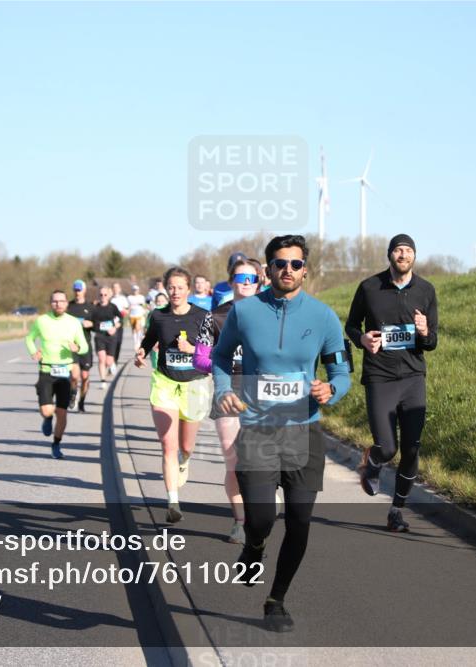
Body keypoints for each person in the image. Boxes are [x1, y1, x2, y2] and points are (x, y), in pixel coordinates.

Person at [214, 234, 351, 632]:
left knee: (300, 521)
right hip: (257, 429)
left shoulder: (323, 316)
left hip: (303, 431)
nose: (287, 270)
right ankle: (254, 549)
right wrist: (224, 390)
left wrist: (331, 389)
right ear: (267, 270)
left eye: (294, 264)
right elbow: (222, 356)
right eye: (279, 264)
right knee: (260, 519)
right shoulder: (245, 312)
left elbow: (341, 371)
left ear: (305, 270)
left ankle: (276, 600)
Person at [344, 234, 437, 532]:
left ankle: (396, 510)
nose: (403, 255)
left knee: (412, 449)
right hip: (380, 376)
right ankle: (373, 462)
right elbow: (351, 324)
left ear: (414, 256)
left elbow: (432, 341)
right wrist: (361, 339)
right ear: (390, 255)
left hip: (412, 377)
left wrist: (424, 332)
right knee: (387, 447)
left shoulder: (426, 290)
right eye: (398, 250)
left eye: (409, 250)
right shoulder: (370, 287)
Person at [193, 257, 263, 543]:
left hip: (265, 393)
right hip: (228, 390)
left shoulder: (273, 315)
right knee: (233, 459)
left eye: (251, 278)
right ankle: (239, 521)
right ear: (231, 281)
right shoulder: (216, 316)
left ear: (260, 281)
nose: (246, 283)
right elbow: (199, 358)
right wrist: (223, 365)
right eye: (240, 278)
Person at [134, 267, 211, 524]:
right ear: (165, 288)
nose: (175, 292)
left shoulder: (203, 316)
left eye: (180, 287)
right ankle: (172, 502)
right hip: (165, 383)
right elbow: (148, 340)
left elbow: (212, 351)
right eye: (171, 287)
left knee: (186, 447)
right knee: (168, 445)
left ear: (188, 289)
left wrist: (192, 348)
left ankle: (185, 460)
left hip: (194, 384)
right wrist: (142, 353)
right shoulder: (158, 316)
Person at [24, 290, 88, 459]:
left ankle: (56, 444)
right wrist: (33, 352)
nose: (58, 304)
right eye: (54, 301)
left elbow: (85, 345)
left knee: (62, 413)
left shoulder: (73, 323)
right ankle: (46, 419)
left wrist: (78, 348)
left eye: (61, 301)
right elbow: (29, 338)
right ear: (50, 303)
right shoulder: (41, 321)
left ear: (67, 303)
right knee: (47, 411)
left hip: (64, 373)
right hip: (46, 370)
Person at [66, 279, 94, 412]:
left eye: (79, 290)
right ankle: (72, 395)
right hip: (72, 346)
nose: (77, 293)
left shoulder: (90, 307)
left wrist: (92, 324)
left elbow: (98, 324)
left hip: (86, 346)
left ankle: (82, 401)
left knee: (85, 376)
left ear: (84, 290)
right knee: (74, 376)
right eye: (75, 290)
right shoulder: (69, 307)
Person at [91, 285, 122, 391]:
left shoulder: (113, 307)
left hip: (111, 336)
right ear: (98, 296)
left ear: (109, 295)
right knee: (101, 358)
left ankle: (111, 363)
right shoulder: (95, 308)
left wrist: (114, 328)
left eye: (105, 295)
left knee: (108, 361)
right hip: (99, 336)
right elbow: (91, 321)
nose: (103, 296)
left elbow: (120, 320)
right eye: (101, 295)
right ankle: (103, 380)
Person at [110, 282, 131, 376]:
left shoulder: (123, 299)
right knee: (111, 344)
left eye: (117, 287)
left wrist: (124, 312)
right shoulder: (109, 298)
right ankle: (111, 362)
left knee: (118, 343)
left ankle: (115, 360)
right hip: (110, 324)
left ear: (119, 289)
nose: (115, 289)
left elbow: (127, 310)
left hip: (120, 323)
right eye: (113, 287)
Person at [147, 292, 169, 369]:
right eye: (158, 301)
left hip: (168, 343)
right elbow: (148, 329)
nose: (160, 303)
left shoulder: (171, 312)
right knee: (156, 365)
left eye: (163, 301)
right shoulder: (152, 314)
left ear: (167, 301)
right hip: (155, 343)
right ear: (155, 302)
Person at [127, 284, 148, 349]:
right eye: (134, 290)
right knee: (134, 329)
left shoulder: (141, 297)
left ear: (138, 290)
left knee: (138, 328)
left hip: (140, 314)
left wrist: (145, 311)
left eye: (136, 290)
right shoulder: (129, 297)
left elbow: (145, 305)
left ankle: (138, 341)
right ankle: (135, 341)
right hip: (132, 315)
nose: (135, 291)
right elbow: (128, 307)